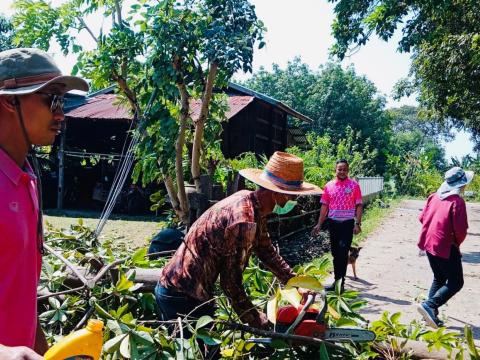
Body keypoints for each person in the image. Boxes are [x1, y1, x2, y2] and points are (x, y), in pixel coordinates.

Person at [155, 152, 322, 332]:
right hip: (182, 293)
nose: (293, 200)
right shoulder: (243, 220)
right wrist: (255, 317)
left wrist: (295, 283)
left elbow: (267, 251)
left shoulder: (252, 204)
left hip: (190, 290)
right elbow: (230, 282)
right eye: (291, 195)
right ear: (276, 192)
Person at [0, 48, 88, 358]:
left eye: (62, 101)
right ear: (10, 101)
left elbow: (19, 290)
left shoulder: (27, 179)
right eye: (51, 99)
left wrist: (38, 345)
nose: (60, 114)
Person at [416, 167, 473, 328]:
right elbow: (460, 230)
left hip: (429, 243)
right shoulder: (457, 202)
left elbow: (422, 218)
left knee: (439, 277)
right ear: (461, 184)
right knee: (456, 282)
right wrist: (456, 243)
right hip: (445, 245)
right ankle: (430, 305)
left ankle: (428, 315)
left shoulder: (433, 197)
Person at [311, 159, 363, 291]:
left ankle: (341, 284)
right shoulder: (329, 186)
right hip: (333, 224)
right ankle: (336, 282)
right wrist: (319, 224)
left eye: (344, 169)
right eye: (339, 169)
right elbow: (324, 206)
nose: (342, 171)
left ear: (348, 171)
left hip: (347, 224)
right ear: (335, 170)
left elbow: (359, 205)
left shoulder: (354, 186)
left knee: (342, 252)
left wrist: (357, 223)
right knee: (335, 254)